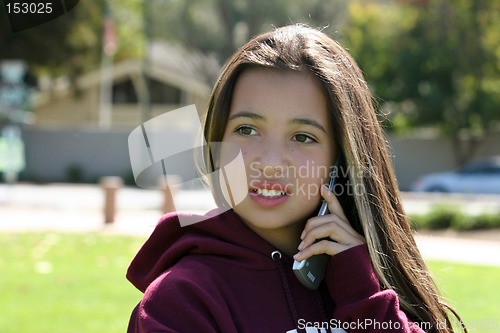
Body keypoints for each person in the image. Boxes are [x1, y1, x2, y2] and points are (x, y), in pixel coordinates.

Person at [126, 24, 465, 333]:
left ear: (341, 158)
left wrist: (361, 294)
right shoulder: (180, 301)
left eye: (303, 136)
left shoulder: (365, 288)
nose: (270, 163)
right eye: (247, 130)